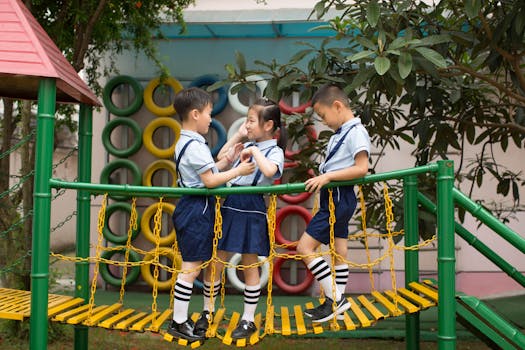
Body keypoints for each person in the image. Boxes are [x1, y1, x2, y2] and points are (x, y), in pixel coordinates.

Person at [167, 87, 255, 342]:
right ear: (195, 114)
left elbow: (211, 169)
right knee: (191, 267)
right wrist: (238, 172)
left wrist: (230, 161)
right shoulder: (193, 145)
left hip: (196, 207)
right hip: (196, 208)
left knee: (193, 265)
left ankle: (181, 320)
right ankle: (179, 321)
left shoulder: (190, 141)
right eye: (207, 113)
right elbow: (209, 181)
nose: (210, 118)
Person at [196, 98, 286, 339]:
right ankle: (207, 312)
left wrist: (254, 150)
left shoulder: (274, 151)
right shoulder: (245, 143)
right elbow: (220, 160)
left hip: (253, 206)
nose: (247, 125)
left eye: (250, 121)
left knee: (250, 262)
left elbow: (270, 172)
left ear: (268, 125)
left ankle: (248, 319)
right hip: (231, 203)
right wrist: (237, 137)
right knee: (217, 259)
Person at [296, 84, 370, 323]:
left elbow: (362, 168)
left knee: (304, 248)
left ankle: (336, 299)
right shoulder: (342, 133)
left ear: (337, 106)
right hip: (336, 196)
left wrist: (327, 176)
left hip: (339, 195)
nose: (323, 121)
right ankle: (333, 302)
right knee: (340, 250)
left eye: (323, 115)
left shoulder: (356, 132)